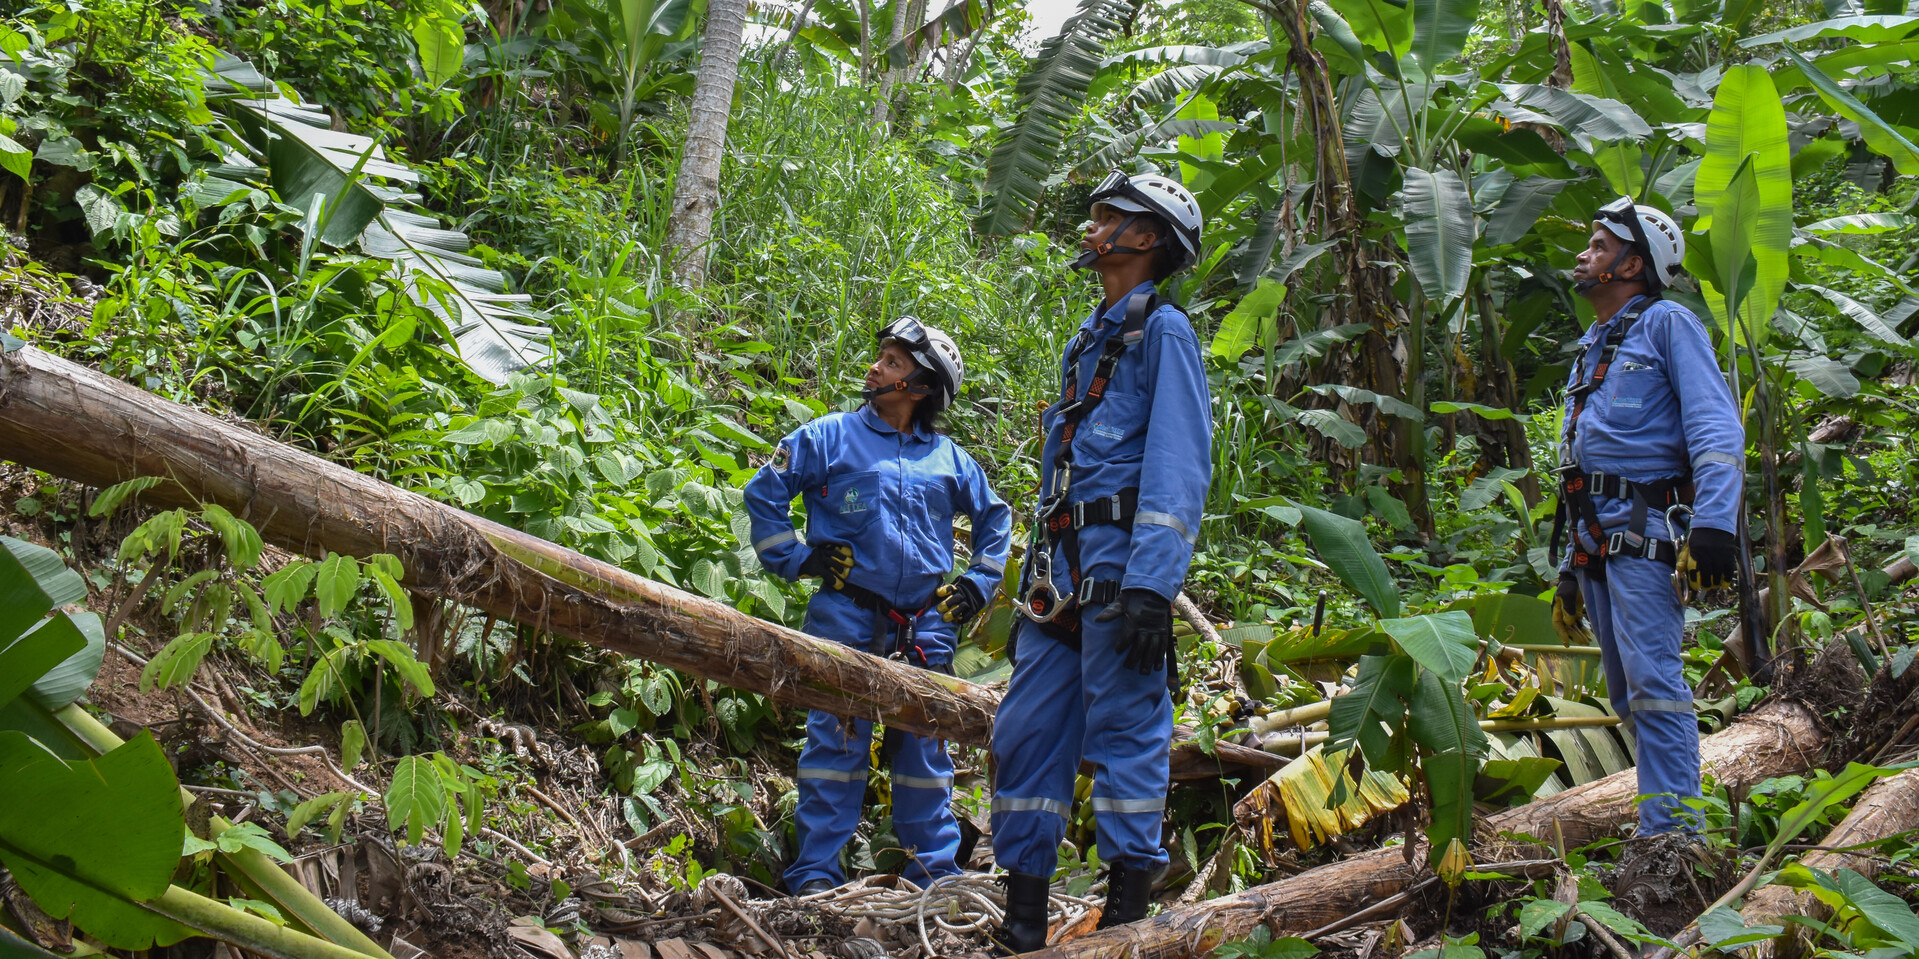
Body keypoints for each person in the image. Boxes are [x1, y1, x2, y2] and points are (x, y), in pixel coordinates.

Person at [988, 170, 1212, 951]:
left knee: (1126, 737)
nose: (1092, 229)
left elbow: (1178, 464)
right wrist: (1032, 585)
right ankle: (1021, 919)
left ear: (1145, 238)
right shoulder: (1089, 339)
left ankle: (1123, 921)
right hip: (1059, 581)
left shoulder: (1163, 334)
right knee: (1024, 734)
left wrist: (1153, 586)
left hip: (1120, 578)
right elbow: (1058, 474)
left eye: (1107, 218)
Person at [745, 318, 1014, 895]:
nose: (876, 368)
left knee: (923, 751)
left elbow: (997, 518)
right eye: (881, 357)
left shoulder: (949, 459)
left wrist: (977, 583)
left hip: (925, 625)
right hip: (844, 613)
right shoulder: (828, 437)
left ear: (920, 387)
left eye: (892, 363)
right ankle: (816, 876)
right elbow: (764, 495)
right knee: (835, 744)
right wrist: (797, 560)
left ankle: (934, 878)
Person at [1548, 195, 1745, 835]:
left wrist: (1714, 523)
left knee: (1657, 688)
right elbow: (1582, 456)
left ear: (1633, 264)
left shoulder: (1668, 325)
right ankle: (1658, 819)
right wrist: (1573, 567)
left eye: (1599, 247)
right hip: (1596, 535)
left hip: (1644, 529)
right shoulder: (1594, 343)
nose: (1584, 255)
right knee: (1628, 696)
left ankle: (1673, 840)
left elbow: (1716, 428)